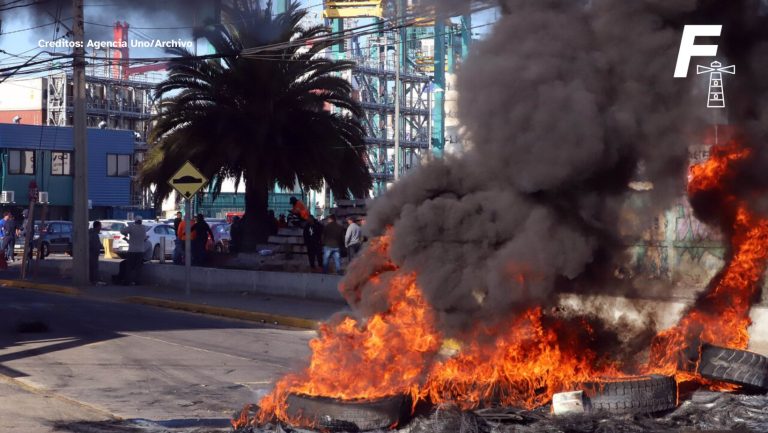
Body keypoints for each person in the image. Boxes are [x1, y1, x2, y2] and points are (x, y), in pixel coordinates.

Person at [121, 216, 147, 285]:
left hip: (132, 251)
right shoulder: (144, 228)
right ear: (141, 221)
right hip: (141, 251)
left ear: (135, 221)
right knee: (138, 268)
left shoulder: (132, 227)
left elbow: (122, 231)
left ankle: (128, 281)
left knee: (129, 267)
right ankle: (137, 281)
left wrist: (126, 234)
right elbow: (144, 239)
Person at [89, 221, 106, 285]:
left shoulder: (93, 234)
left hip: (93, 254)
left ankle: (93, 280)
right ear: (97, 227)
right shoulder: (93, 235)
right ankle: (93, 281)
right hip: (92, 254)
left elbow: (97, 244)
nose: (100, 228)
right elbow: (94, 245)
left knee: (93, 268)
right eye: (100, 226)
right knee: (93, 268)